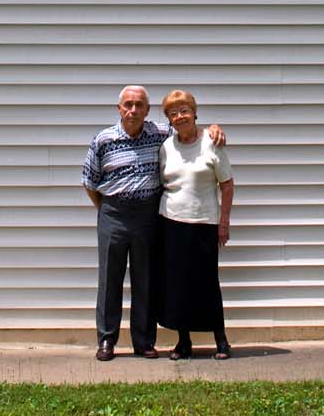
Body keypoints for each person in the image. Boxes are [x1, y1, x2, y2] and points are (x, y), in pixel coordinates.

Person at [81, 85, 224, 361]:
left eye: (139, 105)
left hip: (148, 215)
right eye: (128, 104)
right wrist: (107, 209)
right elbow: (89, 181)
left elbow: (187, 129)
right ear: (119, 108)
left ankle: (144, 341)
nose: (133, 110)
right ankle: (107, 340)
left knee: (145, 279)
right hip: (113, 213)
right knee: (109, 279)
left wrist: (213, 128)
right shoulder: (103, 139)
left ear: (147, 110)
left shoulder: (160, 133)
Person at [155, 88, 234, 360]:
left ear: (195, 112)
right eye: (173, 113)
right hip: (171, 222)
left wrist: (224, 222)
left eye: (184, 111)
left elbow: (227, 184)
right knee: (177, 283)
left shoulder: (212, 142)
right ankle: (183, 342)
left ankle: (221, 340)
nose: (180, 117)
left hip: (204, 222)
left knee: (207, 282)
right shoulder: (166, 146)